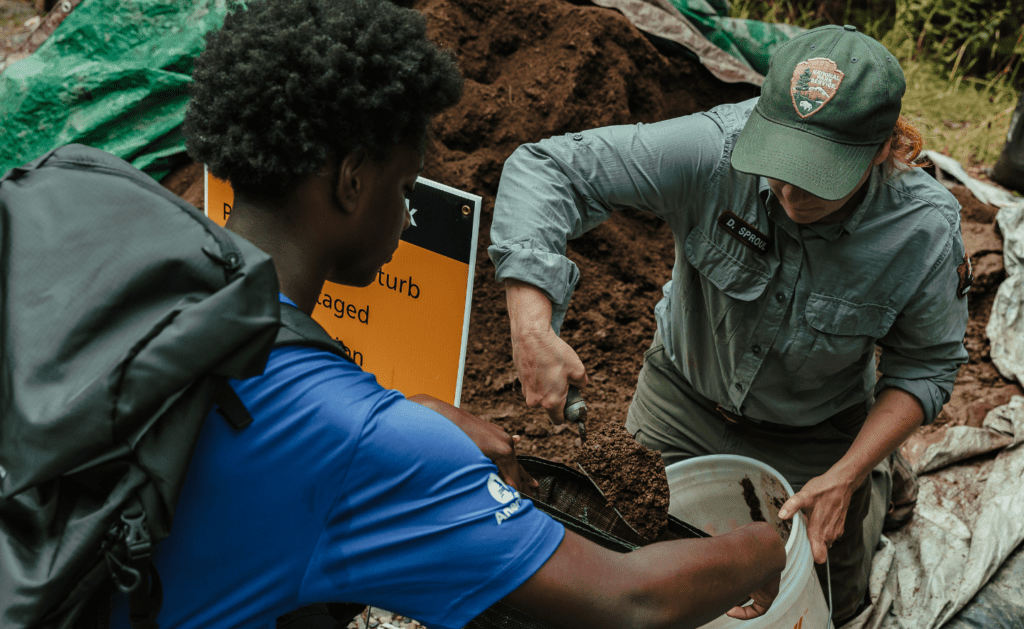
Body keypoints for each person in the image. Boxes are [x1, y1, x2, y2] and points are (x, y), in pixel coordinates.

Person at [109, 1, 786, 627]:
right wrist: (758, 549)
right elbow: (631, 596)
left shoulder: (151, 274)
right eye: (405, 190)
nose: (407, 219)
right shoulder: (362, 446)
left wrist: (414, 412)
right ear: (351, 181)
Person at [491, 24, 970, 624]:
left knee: (827, 597)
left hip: (818, 430)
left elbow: (926, 366)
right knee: (625, 569)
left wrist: (844, 476)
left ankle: (876, 476)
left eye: (819, 173)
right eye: (779, 161)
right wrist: (532, 325)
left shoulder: (923, 229)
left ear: (879, 151)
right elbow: (547, 168)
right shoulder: (714, 148)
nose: (790, 189)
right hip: (682, 399)